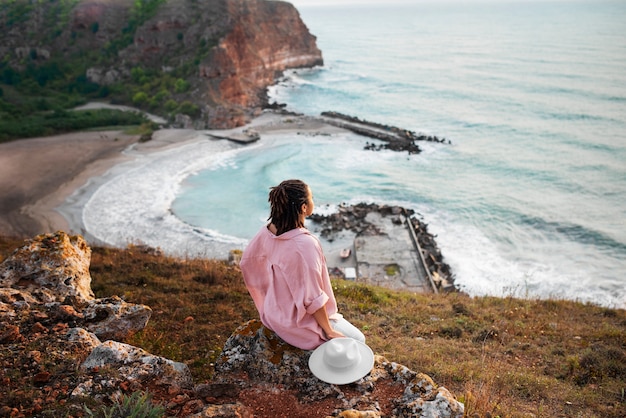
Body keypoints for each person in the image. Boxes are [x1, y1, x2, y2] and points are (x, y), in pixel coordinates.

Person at [240, 179, 365, 350]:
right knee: (359, 340)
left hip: (273, 314)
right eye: (312, 197)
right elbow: (313, 298)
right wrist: (328, 331)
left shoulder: (266, 232)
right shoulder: (304, 245)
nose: (314, 200)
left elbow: (248, 263)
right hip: (297, 325)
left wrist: (271, 296)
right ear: (304, 208)